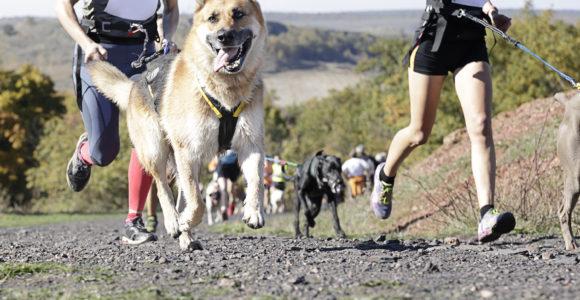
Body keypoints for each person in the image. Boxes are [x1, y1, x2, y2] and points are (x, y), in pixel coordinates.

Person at [370, 0, 516, 243]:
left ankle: (486, 215)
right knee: (419, 133)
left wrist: (491, 10)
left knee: (480, 126)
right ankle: (385, 176)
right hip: (434, 37)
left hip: (471, 40)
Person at [56, 0, 179, 244]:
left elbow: (172, 9)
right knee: (104, 152)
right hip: (98, 54)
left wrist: (167, 37)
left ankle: (134, 220)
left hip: (143, 55)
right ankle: (85, 152)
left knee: (150, 135)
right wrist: (86, 43)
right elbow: (62, 6)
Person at [215, 150, 241, 220]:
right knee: (223, 188)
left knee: (231, 190)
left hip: (233, 166)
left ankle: (232, 204)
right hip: (222, 165)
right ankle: (224, 209)